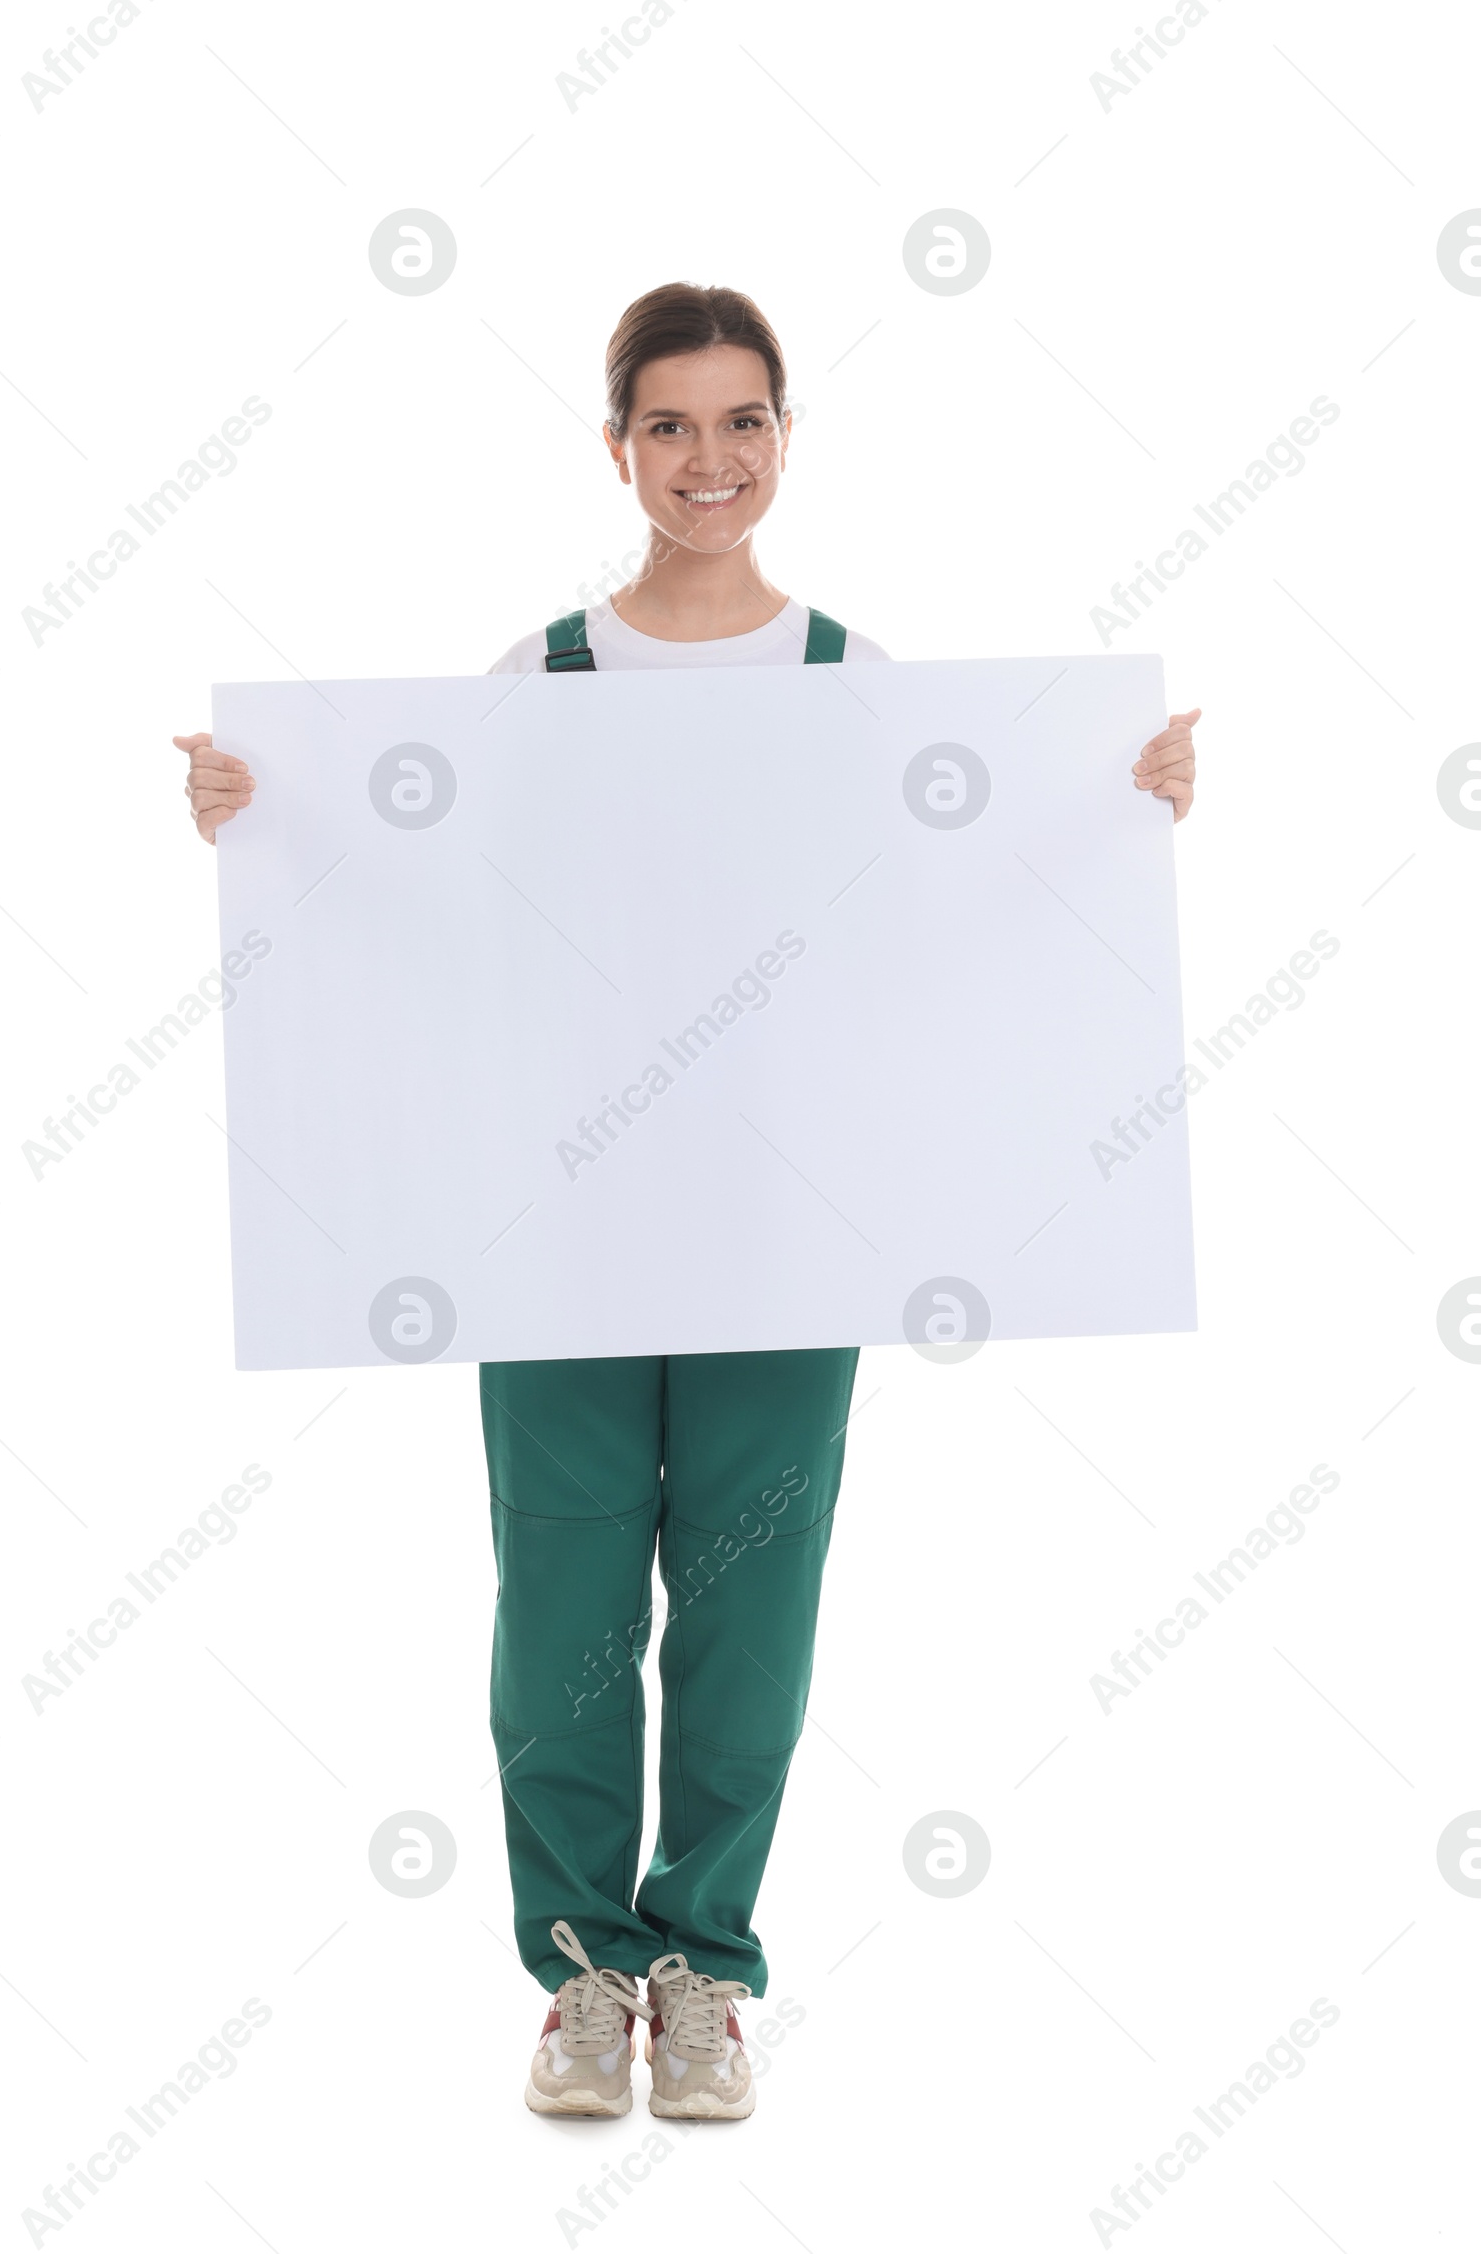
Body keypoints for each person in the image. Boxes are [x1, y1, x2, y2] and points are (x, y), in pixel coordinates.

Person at [175, 281, 1199, 2123]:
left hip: (787, 1216)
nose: (708, 459)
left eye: (742, 422)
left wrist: (1108, 815)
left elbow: (936, 929)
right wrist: (273, 821)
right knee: (563, 1587)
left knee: (753, 1596)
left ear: (786, 437)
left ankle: (705, 1969)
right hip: (558, 1214)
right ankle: (580, 1969)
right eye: (670, 425)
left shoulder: (850, 680)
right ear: (619, 446)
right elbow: (437, 920)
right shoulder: (543, 677)